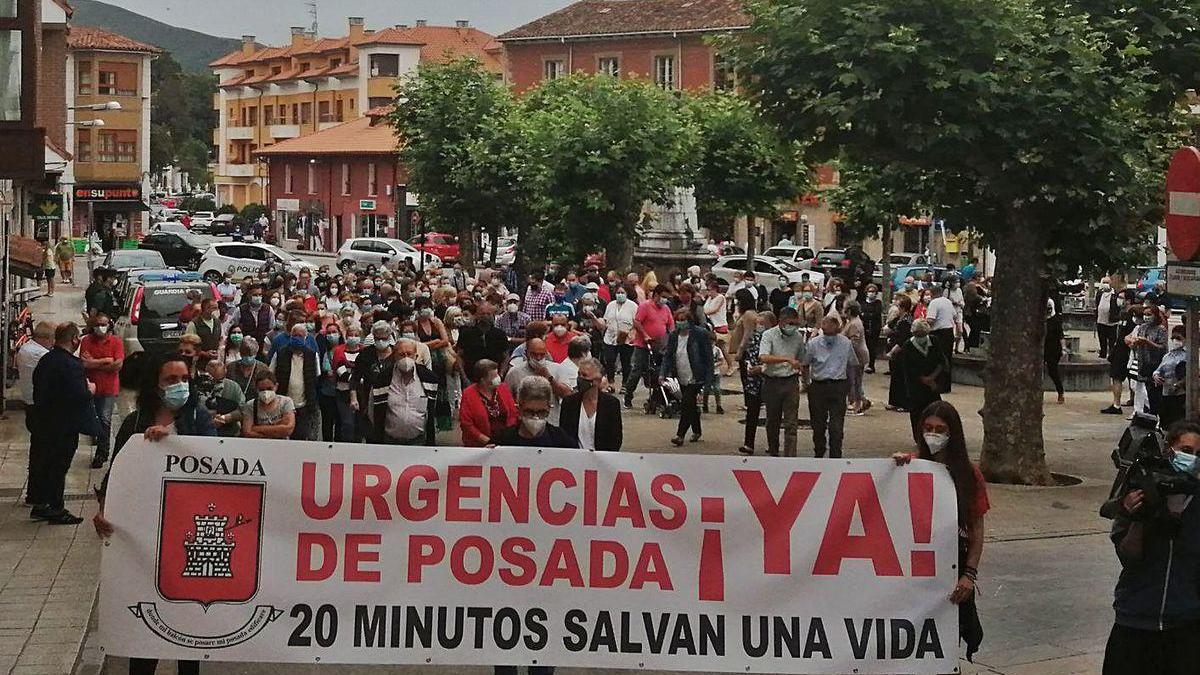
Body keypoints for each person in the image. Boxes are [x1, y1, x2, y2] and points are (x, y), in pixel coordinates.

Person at [93, 353, 214, 675]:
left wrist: (174, 442)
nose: (179, 386)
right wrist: (103, 509)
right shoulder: (135, 423)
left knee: (188, 630)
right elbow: (116, 473)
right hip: (144, 538)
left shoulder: (200, 420)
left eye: (184, 379)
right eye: (171, 380)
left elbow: (217, 467)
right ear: (156, 385)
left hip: (190, 534)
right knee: (145, 627)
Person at [1100, 420, 1200, 673]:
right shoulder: (1140, 489)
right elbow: (1129, 557)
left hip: (1185, 626)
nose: (1192, 458)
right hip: (1135, 620)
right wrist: (1139, 519)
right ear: (1169, 450)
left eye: (1198, 455)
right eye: (1186, 450)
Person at [892, 401, 987, 662]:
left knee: (943, 643)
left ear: (952, 433)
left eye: (940, 429)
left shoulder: (969, 475)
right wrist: (893, 471)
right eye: (928, 428)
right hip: (914, 571)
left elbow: (977, 528)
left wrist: (969, 574)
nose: (933, 434)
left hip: (950, 567)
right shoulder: (911, 467)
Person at [29, 322, 93, 524]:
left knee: (44, 464)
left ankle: (41, 503)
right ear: (74, 339)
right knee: (58, 466)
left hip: (42, 421)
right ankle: (56, 507)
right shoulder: (71, 365)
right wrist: (90, 390)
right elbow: (79, 395)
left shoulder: (46, 360)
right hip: (63, 425)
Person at [803, 315, 857, 458]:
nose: (829, 336)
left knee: (836, 425)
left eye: (832, 333)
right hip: (818, 386)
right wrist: (806, 382)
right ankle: (819, 452)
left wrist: (852, 390)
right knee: (818, 424)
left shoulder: (845, 343)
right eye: (826, 332)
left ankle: (835, 455)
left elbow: (851, 366)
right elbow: (805, 364)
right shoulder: (813, 344)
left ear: (837, 330)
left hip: (838, 386)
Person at [660, 307, 713, 446]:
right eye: (678, 320)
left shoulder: (700, 334)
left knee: (686, 404)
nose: (680, 323)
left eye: (683, 320)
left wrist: (708, 379)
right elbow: (668, 356)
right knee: (690, 405)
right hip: (681, 375)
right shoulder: (673, 336)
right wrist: (662, 374)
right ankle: (697, 430)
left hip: (696, 376)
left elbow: (708, 358)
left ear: (689, 321)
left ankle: (680, 435)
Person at [758, 307, 807, 457]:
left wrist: (805, 377)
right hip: (772, 381)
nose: (793, 326)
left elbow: (801, 359)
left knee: (791, 423)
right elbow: (764, 357)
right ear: (781, 321)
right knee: (773, 420)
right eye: (790, 323)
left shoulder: (798, 337)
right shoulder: (769, 335)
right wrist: (786, 359)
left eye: (795, 323)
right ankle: (773, 451)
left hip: (790, 381)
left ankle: (790, 456)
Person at [375, 338, 439, 445]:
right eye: (401, 354)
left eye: (409, 354)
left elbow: (432, 410)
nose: (405, 358)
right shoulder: (382, 379)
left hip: (419, 441)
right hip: (389, 441)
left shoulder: (429, 378)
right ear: (394, 356)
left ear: (416, 356)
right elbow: (374, 411)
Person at [18, 321, 55, 507]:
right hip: (40, 409)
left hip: (30, 406)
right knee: (43, 453)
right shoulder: (39, 354)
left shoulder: (25, 349)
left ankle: (35, 493)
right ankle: (38, 495)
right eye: (52, 340)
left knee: (38, 452)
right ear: (45, 338)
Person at [80, 313, 124, 468]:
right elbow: (85, 364)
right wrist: (106, 361)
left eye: (104, 324)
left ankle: (102, 452)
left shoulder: (116, 342)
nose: (101, 327)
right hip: (91, 387)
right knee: (94, 418)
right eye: (98, 324)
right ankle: (98, 440)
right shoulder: (86, 341)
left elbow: (118, 365)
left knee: (105, 419)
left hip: (109, 388)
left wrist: (94, 362)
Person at [625, 285, 675, 409]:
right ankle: (628, 395)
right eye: (663, 297)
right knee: (637, 371)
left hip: (660, 346)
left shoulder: (666, 309)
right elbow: (637, 322)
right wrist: (645, 335)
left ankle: (656, 398)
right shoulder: (645, 306)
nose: (664, 300)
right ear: (656, 295)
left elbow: (671, 326)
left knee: (657, 372)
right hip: (643, 345)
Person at [494, 375, 578, 449]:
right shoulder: (503, 440)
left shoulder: (562, 440)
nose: (535, 417)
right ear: (519, 408)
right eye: (529, 412)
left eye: (541, 412)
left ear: (549, 408)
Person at [898, 319, 947, 441]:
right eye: (917, 335)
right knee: (917, 413)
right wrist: (923, 379)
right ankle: (919, 438)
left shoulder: (934, 341)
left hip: (933, 384)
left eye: (923, 334)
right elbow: (907, 369)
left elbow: (941, 361)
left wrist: (932, 378)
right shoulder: (908, 346)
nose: (920, 337)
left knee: (936, 410)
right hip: (915, 386)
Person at [504, 337, 572, 425]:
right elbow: (506, 400)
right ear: (526, 353)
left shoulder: (557, 369)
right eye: (534, 354)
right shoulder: (514, 372)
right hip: (523, 424)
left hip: (550, 423)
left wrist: (549, 377)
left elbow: (567, 395)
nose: (538, 358)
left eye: (542, 354)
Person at [559, 357, 622, 452]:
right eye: (579, 374)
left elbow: (616, 439)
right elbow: (564, 435)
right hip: (574, 458)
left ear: (597, 380)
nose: (580, 379)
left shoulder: (611, 404)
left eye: (584, 375)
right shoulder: (569, 402)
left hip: (602, 459)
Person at [269, 324, 320, 440]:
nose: (297, 338)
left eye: (300, 336)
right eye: (294, 335)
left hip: (303, 405)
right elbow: (271, 374)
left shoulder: (312, 355)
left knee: (300, 436)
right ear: (290, 336)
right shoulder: (280, 353)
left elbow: (316, 377)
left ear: (306, 338)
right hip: (283, 405)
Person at [737, 311, 775, 456]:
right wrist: (748, 367)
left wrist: (761, 368)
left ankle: (773, 444)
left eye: (762, 323)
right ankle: (748, 444)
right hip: (753, 382)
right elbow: (748, 355)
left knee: (772, 415)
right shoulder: (753, 338)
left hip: (770, 380)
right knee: (752, 413)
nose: (759, 326)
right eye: (758, 323)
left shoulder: (775, 339)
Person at [460, 359, 518, 447]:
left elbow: (513, 414)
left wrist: (508, 435)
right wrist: (487, 441)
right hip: (481, 443)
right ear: (482, 380)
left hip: (506, 440)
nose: (498, 378)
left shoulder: (503, 388)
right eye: (494, 376)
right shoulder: (468, 394)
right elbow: (466, 424)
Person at [1103, 296, 1137, 415]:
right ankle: (1119, 403)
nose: (1119, 300)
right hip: (1120, 350)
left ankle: (1117, 405)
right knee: (1122, 377)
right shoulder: (1123, 315)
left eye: (1122, 297)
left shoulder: (1133, 317)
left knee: (1121, 377)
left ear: (1128, 300)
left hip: (1127, 352)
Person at [1131, 304, 1167, 416]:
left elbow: (1163, 348)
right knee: (1146, 391)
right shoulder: (1142, 327)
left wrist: (1148, 342)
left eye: (1149, 314)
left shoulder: (1161, 330)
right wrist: (1135, 343)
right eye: (1144, 315)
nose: (1146, 317)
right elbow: (1135, 345)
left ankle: (1157, 416)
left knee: (1156, 395)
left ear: (1155, 315)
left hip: (1156, 365)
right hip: (1144, 365)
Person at [331, 323, 365, 441]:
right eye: (350, 335)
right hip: (343, 392)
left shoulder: (364, 351)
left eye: (356, 335)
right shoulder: (339, 351)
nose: (353, 337)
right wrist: (358, 379)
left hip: (361, 393)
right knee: (347, 423)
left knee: (359, 425)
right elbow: (342, 373)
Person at [241, 371, 296, 439]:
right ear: (256, 389)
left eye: (269, 389)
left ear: (276, 386)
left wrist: (256, 428)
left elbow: (288, 429)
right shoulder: (250, 405)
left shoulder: (286, 402)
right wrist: (278, 428)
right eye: (261, 390)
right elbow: (247, 432)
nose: (265, 392)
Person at [601, 284, 637, 389]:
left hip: (626, 337)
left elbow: (636, 322)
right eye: (618, 293)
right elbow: (606, 319)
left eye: (622, 293)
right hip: (610, 337)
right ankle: (611, 381)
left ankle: (625, 383)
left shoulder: (633, 306)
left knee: (625, 361)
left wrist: (631, 334)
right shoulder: (611, 305)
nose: (620, 295)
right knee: (609, 359)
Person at [1154, 324, 1188, 429]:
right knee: (1165, 422)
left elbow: (1192, 374)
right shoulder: (1167, 356)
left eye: (1178, 338)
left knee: (1178, 422)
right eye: (1173, 338)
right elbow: (1159, 369)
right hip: (1165, 393)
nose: (1175, 341)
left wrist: (1179, 384)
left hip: (1180, 394)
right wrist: (1155, 375)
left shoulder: (1188, 356)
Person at [886, 295, 915, 412]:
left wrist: (893, 351)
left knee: (902, 378)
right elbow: (889, 327)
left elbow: (903, 338)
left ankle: (904, 403)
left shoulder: (907, 321)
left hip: (901, 352)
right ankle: (894, 401)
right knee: (895, 377)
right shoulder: (898, 319)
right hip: (894, 349)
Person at [202, 359, 246, 436]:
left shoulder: (234, 387)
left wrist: (225, 418)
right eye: (213, 380)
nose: (217, 384)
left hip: (229, 431)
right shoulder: (199, 386)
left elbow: (242, 410)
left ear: (225, 372)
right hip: (202, 430)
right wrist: (208, 416)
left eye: (220, 380)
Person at [842, 301, 871, 415]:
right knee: (855, 381)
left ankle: (857, 405)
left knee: (854, 381)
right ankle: (862, 401)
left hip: (856, 356)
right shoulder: (853, 322)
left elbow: (854, 342)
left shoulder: (854, 323)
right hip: (856, 355)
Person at [926, 285, 956, 392]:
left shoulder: (934, 303)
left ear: (932, 294)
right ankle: (946, 385)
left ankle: (937, 384)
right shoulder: (948, 301)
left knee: (937, 359)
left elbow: (930, 320)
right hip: (949, 332)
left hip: (938, 333)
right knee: (947, 358)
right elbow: (954, 315)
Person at [1044, 297, 1066, 404]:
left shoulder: (1055, 320)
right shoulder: (1039, 320)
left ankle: (1060, 392)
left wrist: (1064, 348)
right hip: (1041, 348)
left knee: (1053, 371)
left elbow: (1061, 336)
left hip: (1053, 349)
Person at [860, 284, 884, 373]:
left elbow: (876, 314)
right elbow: (861, 313)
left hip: (874, 328)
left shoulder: (878, 303)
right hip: (864, 328)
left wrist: (866, 314)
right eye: (869, 291)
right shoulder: (863, 303)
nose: (871, 293)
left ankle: (871, 365)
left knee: (872, 347)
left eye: (873, 292)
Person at [1096, 278, 1120, 360]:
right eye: (1104, 282)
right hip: (1100, 321)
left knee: (1111, 341)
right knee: (1102, 339)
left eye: (1107, 282)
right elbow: (1097, 304)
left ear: (1111, 283)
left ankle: (1111, 356)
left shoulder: (1115, 294)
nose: (1105, 284)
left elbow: (1118, 307)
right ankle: (1103, 354)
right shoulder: (1099, 293)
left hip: (1111, 322)